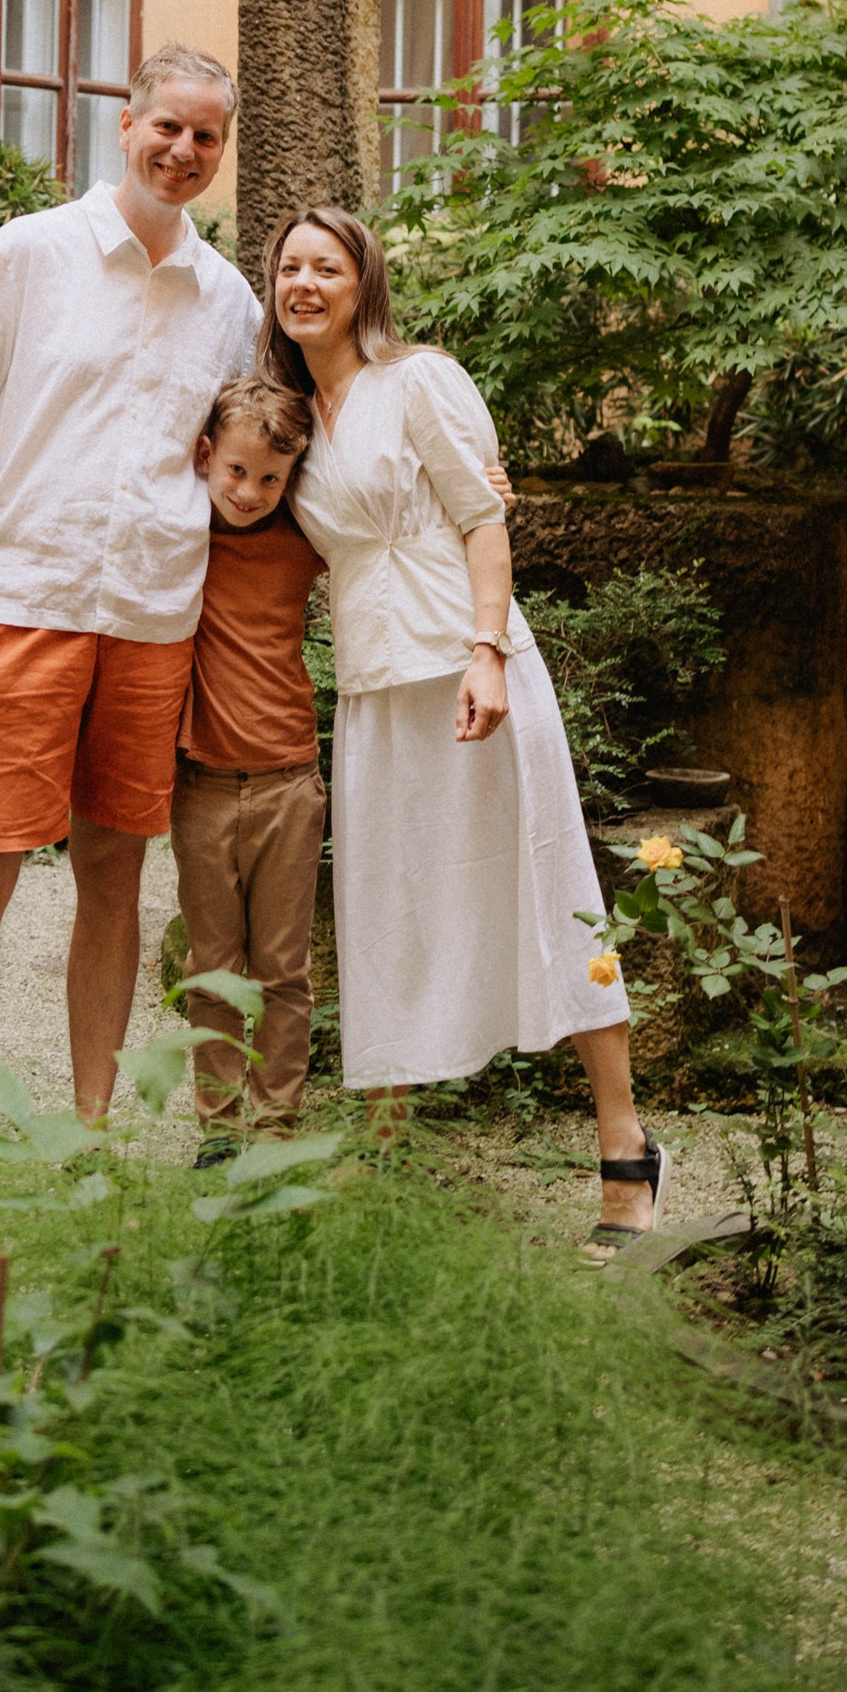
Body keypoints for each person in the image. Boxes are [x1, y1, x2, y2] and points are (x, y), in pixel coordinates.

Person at [0, 46, 260, 1122]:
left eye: (206, 136)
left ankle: (89, 1132)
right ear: (126, 125)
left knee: (115, 876)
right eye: (168, 126)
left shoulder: (230, 302)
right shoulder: (28, 253)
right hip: (22, 598)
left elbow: (249, 459)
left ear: (220, 149)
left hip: (153, 615)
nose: (184, 150)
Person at [263, 206, 667, 1250]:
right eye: (289, 267)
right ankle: (384, 1150)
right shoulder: (290, 417)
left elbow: (483, 520)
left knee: (547, 890)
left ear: (363, 284)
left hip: (466, 669)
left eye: (326, 267)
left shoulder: (419, 380)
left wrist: (486, 651)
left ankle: (623, 1145)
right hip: (373, 688)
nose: (305, 284)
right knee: (385, 909)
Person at [170, 373, 327, 1155]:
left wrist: (479, 490)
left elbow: (393, 526)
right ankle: (219, 1129)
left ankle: (275, 1127)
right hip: (199, 784)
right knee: (213, 965)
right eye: (236, 470)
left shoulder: (304, 541)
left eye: (270, 478)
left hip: (290, 780)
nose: (249, 491)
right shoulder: (178, 533)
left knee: (283, 969)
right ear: (206, 456)